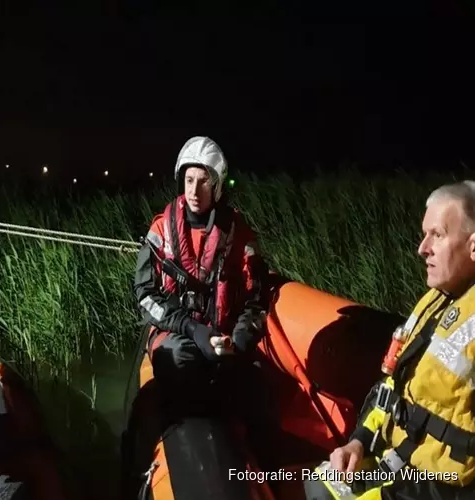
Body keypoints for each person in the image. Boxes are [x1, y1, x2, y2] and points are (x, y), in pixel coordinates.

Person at [304, 181, 475, 499]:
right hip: (398, 459)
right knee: (318, 484)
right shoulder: (434, 302)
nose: (422, 248)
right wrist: (360, 440)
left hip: (441, 486)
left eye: (437, 235)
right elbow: (390, 387)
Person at [131, 136, 273, 454]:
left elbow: (256, 297)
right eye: (189, 180)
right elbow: (144, 293)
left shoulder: (238, 233)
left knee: (255, 381)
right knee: (182, 360)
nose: (194, 191)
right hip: (177, 331)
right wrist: (192, 329)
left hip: (222, 336)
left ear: (217, 186)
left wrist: (238, 341)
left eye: (203, 182)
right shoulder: (161, 231)